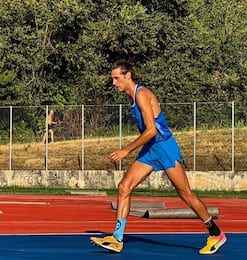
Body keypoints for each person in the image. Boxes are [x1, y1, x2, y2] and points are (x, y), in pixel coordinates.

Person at [90, 60, 226, 254]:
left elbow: (152, 130)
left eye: (116, 78)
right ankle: (117, 238)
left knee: (185, 193)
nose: (114, 83)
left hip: (164, 147)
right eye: (113, 78)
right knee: (124, 187)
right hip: (151, 149)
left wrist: (126, 150)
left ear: (127, 76)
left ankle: (216, 234)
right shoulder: (130, 98)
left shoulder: (142, 95)